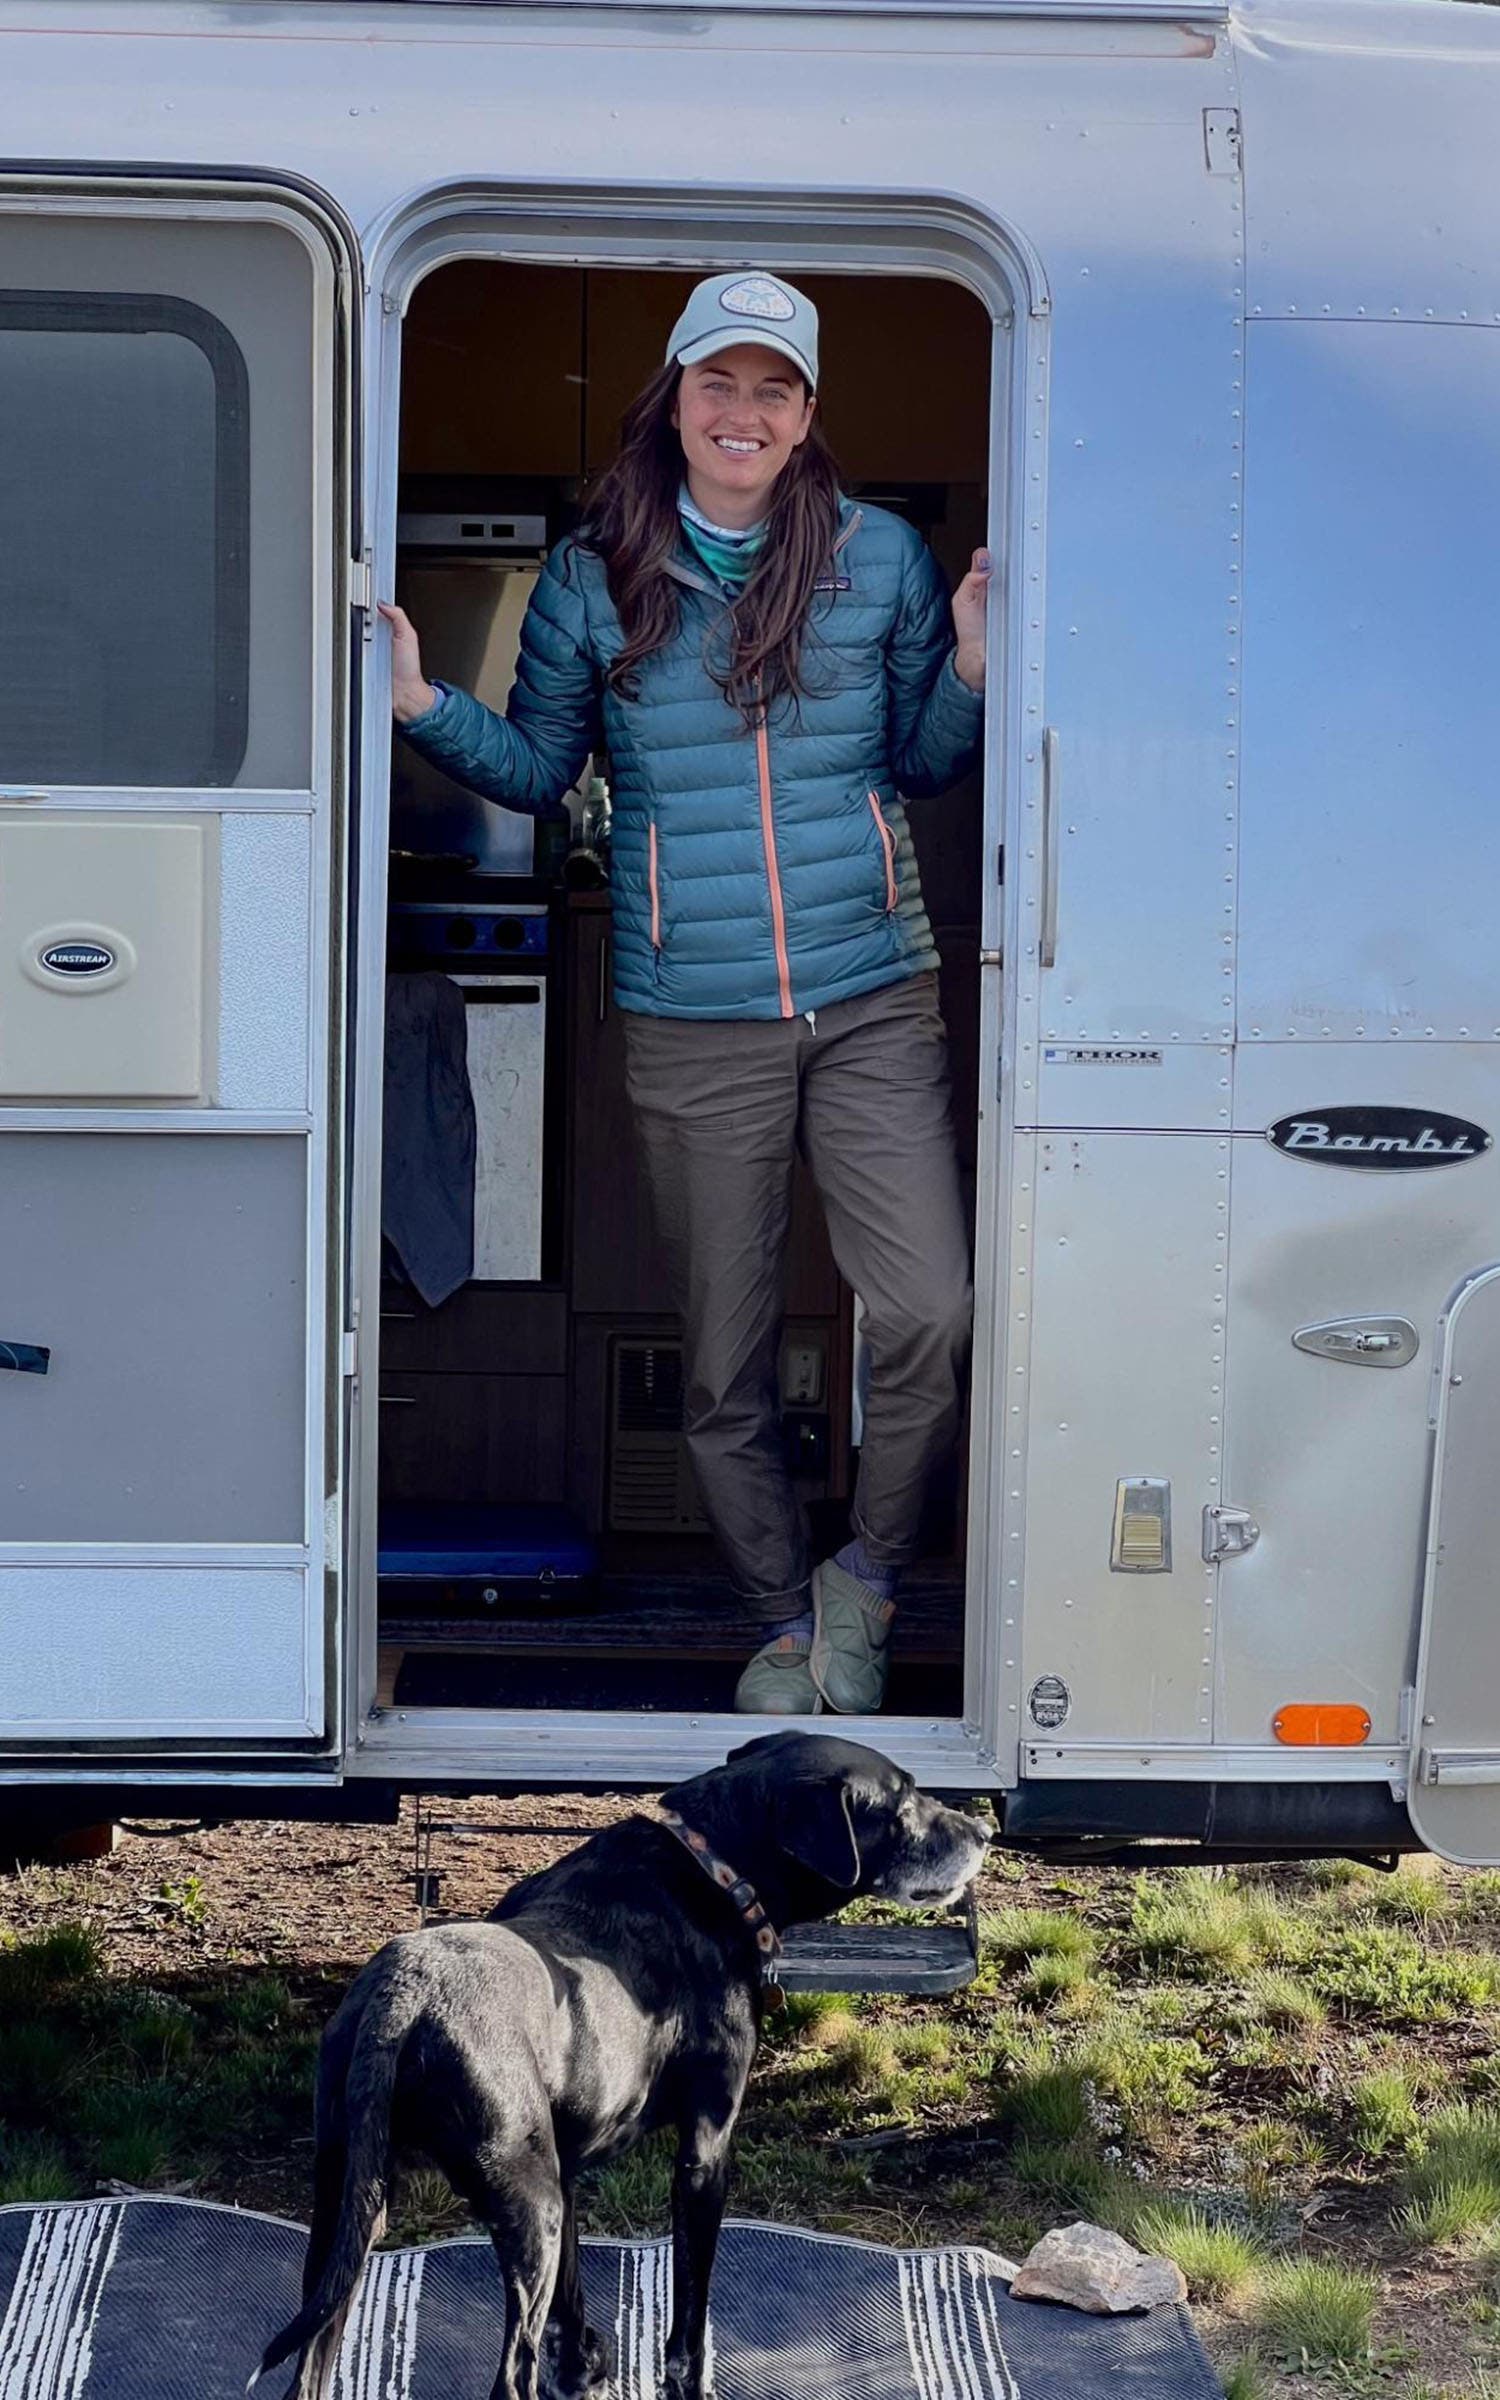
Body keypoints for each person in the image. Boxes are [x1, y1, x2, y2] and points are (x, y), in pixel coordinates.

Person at [381, 269, 988, 1716]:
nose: (744, 410)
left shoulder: (881, 558)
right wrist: (421, 707)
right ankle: (783, 1619)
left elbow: (920, 760)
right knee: (724, 1357)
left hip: (869, 995)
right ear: (675, 400)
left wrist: (967, 671)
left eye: (773, 388)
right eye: (720, 383)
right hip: (689, 1011)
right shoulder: (598, 577)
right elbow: (538, 770)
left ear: (806, 418)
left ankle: (873, 1578)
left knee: (927, 1310)